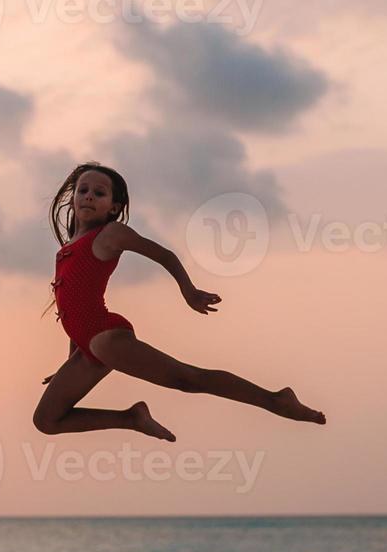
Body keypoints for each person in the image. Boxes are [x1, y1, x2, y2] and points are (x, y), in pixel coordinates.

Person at [33, 162, 326, 442]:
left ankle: (275, 399)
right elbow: (72, 307)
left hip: (106, 337)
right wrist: (69, 361)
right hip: (86, 349)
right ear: (72, 198)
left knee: (188, 379)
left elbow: (165, 255)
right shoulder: (68, 247)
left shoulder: (110, 234)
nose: (88, 197)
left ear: (114, 207)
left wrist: (189, 291)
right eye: (83, 190)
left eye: (99, 193)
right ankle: (132, 418)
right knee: (46, 420)